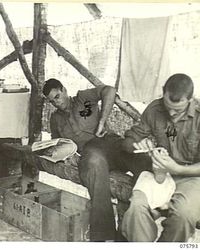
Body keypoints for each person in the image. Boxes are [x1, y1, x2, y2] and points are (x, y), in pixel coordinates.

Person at [43, 78, 152, 241]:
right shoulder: (55, 119)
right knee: (94, 165)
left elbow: (109, 91)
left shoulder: (83, 98)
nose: (56, 103)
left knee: (143, 159)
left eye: (57, 96)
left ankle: (137, 225)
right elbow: (58, 143)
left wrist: (102, 121)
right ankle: (104, 236)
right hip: (90, 151)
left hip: (111, 143)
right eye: (52, 101)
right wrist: (64, 154)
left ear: (64, 90)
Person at [121, 73, 200, 242]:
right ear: (163, 93)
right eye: (167, 105)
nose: (171, 113)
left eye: (177, 109)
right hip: (160, 174)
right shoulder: (155, 109)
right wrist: (137, 143)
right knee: (136, 208)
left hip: (192, 177)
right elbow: (128, 140)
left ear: (190, 100)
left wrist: (177, 169)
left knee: (183, 215)